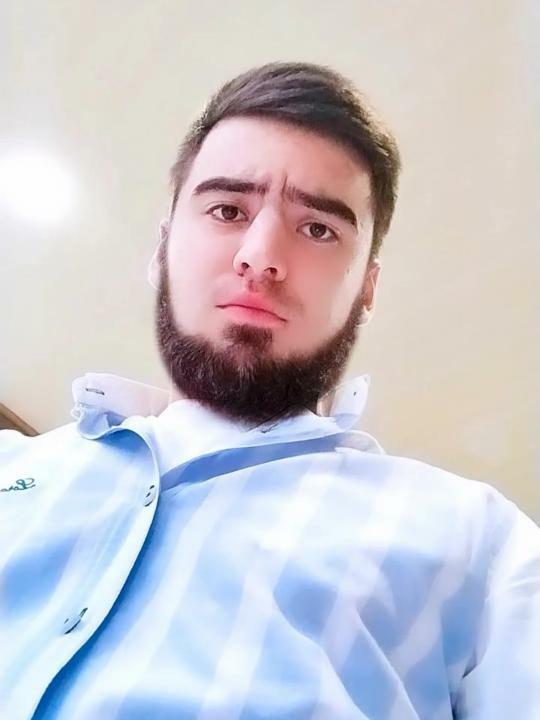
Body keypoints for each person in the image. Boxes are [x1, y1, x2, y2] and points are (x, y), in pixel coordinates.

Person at [1, 62, 538, 720]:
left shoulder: (483, 546)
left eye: (318, 228)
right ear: (161, 250)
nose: (261, 255)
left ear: (367, 289)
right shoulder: (13, 467)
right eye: (227, 209)